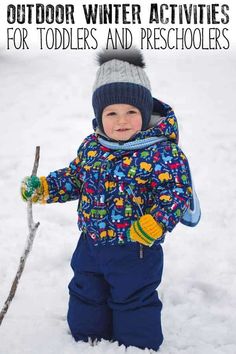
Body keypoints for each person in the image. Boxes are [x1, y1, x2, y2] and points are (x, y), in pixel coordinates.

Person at [21, 48, 197, 352]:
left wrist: (156, 222)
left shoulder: (162, 152)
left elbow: (177, 193)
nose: (122, 121)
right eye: (111, 113)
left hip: (136, 249)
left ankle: (136, 346)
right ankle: (85, 342)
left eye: (131, 112)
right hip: (90, 243)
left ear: (144, 112)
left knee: (134, 300)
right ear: (99, 116)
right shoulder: (92, 146)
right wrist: (47, 187)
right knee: (85, 292)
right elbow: (76, 177)